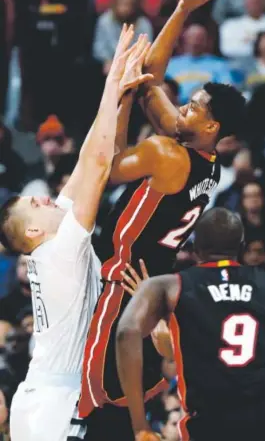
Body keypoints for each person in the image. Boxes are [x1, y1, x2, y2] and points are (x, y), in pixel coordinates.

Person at [78, 0, 245, 440]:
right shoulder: (206, 160)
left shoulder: (167, 155)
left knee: (96, 403)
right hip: (150, 280)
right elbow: (154, 79)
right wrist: (183, 9)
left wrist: (125, 95)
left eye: (193, 105)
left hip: (121, 277)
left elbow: (107, 167)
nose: (183, 106)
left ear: (210, 126)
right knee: (127, 398)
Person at [0, 26, 153, 441]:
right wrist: (112, 83)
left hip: (38, 392)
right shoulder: (62, 248)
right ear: (32, 229)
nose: (45, 198)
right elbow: (100, 167)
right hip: (57, 397)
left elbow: (88, 158)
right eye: (35, 204)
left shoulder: (55, 235)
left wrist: (120, 98)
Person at [116, 207, 265, 441]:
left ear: (195, 249)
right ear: (242, 247)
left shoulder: (171, 286)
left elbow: (126, 333)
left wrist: (140, 424)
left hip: (214, 422)